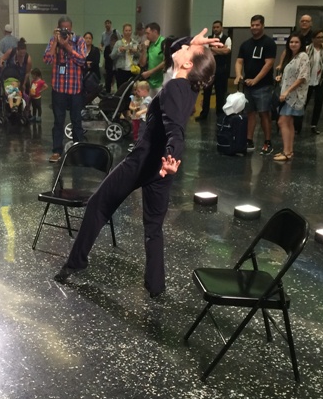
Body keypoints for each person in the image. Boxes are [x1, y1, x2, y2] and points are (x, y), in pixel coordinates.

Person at [53, 30, 218, 298]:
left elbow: (176, 130)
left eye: (188, 49)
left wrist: (172, 155)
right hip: (160, 169)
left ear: (188, 64)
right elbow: (173, 48)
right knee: (153, 228)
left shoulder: (177, 87)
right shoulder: (185, 86)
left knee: (98, 204)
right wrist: (193, 42)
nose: (183, 47)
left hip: (145, 161)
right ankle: (155, 286)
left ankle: (76, 262)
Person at [43, 15, 87, 163]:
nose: (66, 32)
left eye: (68, 29)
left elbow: (82, 60)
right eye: (63, 29)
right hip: (59, 89)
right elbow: (47, 60)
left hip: (75, 89)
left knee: (76, 121)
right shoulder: (53, 40)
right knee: (58, 122)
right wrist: (56, 43)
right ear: (58, 28)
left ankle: (78, 151)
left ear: (72, 28)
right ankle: (56, 151)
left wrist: (67, 46)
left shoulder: (79, 41)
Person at [234, 14, 277, 155]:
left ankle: (267, 142)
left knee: (264, 113)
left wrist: (256, 80)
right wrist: (239, 74)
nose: (254, 27)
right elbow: (239, 61)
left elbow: (269, 64)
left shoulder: (269, 43)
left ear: (263, 26)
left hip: (263, 86)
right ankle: (249, 140)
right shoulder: (245, 44)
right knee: (249, 113)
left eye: (257, 25)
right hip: (248, 86)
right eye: (252, 25)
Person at [274, 34, 309, 161]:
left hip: (293, 95)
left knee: (282, 122)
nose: (293, 44)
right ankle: (288, 150)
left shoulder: (303, 56)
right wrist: (281, 78)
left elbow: (302, 77)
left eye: (296, 42)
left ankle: (286, 151)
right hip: (287, 93)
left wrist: (288, 91)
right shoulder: (291, 57)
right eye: (291, 42)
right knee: (288, 122)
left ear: (301, 44)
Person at [197, 20, 231, 121]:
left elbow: (227, 51)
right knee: (206, 93)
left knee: (220, 93)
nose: (215, 29)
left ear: (221, 28)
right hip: (210, 70)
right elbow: (205, 51)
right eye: (214, 27)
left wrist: (214, 49)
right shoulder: (209, 38)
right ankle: (204, 114)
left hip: (222, 71)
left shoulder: (227, 38)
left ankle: (220, 114)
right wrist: (221, 49)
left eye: (217, 27)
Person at [302, 29, 323, 134]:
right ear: (313, 39)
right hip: (308, 80)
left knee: (319, 102)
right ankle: (298, 123)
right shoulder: (307, 49)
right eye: (318, 37)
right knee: (304, 102)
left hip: (321, 79)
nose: (321, 39)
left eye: (322, 37)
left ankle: (314, 125)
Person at [139, 22, 165, 97]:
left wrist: (150, 72)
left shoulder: (163, 43)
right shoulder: (149, 44)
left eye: (148, 33)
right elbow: (142, 63)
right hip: (151, 83)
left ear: (155, 32)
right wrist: (144, 49)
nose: (146, 36)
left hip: (161, 82)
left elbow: (166, 62)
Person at [111, 23, 140, 88]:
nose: (128, 32)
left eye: (129, 30)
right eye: (126, 30)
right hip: (121, 70)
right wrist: (119, 50)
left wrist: (135, 51)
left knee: (132, 90)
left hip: (132, 70)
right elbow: (112, 56)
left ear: (131, 31)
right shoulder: (118, 43)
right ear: (123, 31)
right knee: (121, 89)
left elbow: (139, 56)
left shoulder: (135, 42)